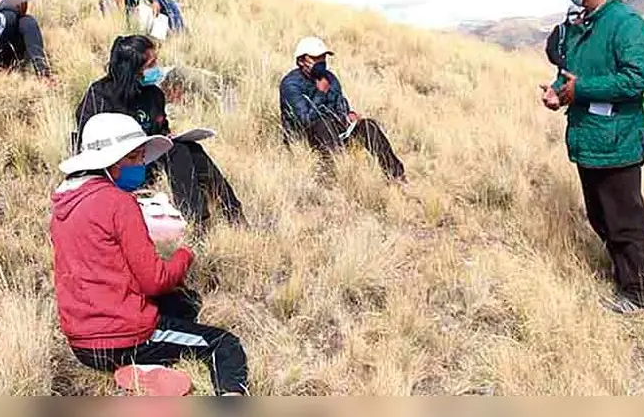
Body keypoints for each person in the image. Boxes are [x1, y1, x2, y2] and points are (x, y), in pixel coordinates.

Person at [51, 112, 249, 396]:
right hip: (124, 338)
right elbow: (155, 281)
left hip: (82, 344)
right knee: (223, 345)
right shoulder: (118, 203)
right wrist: (184, 256)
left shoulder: (64, 204)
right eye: (134, 158)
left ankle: (144, 370)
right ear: (112, 162)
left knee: (182, 303)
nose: (141, 165)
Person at [540, 0, 644, 315]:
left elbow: (635, 80)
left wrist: (581, 89)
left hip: (617, 139)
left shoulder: (627, 25)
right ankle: (622, 275)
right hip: (588, 138)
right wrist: (557, 93)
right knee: (600, 217)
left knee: (624, 221)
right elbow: (569, 74)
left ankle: (639, 293)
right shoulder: (581, 25)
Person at [74, 35, 244, 226]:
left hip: (147, 160)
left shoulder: (154, 95)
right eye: (151, 64)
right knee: (176, 151)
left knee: (190, 149)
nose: (157, 68)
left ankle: (231, 212)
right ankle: (195, 219)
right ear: (133, 69)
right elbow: (86, 143)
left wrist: (167, 135)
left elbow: (160, 128)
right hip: (116, 167)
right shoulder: (99, 96)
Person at [280, 36, 406, 181]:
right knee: (323, 123)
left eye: (323, 57)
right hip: (307, 138)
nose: (321, 61)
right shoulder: (291, 84)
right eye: (316, 58)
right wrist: (320, 93)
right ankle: (335, 177)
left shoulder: (330, 78)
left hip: (336, 134)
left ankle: (396, 176)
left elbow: (341, 105)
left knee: (368, 126)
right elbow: (305, 120)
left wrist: (349, 115)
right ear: (301, 61)